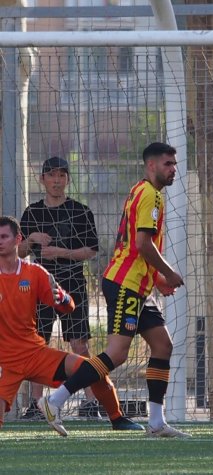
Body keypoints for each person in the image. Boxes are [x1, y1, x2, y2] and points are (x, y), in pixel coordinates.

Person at [39, 142, 189, 438]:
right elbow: (143, 244)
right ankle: (54, 400)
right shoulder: (151, 196)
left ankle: (156, 421)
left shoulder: (142, 190)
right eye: (168, 164)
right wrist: (168, 272)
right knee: (117, 353)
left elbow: (135, 243)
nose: (173, 170)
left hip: (136, 285)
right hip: (125, 285)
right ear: (151, 166)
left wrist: (155, 278)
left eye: (174, 164)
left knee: (162, 346)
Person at [0, 215, 142, 434]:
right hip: (5, 362)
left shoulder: (35, 272)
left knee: (92, 369)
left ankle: (117, 418)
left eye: (3, 236)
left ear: (18, 238)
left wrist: (62, 299)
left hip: (34, 354)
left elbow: (69, 306)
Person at [17, 157, 101, 420]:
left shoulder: (80, 211)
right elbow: (17, 252)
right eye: (51, 175)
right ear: (42, 179)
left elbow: (91, 250)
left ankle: (91, 402)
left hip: (73, 282)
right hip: (40, 284)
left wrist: (60, 252)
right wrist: (31, 239)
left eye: (62, 175)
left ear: (67, 179)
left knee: (79, 343)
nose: (56, 180)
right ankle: (36, 404)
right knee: (37, 343)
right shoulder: (32, 213)